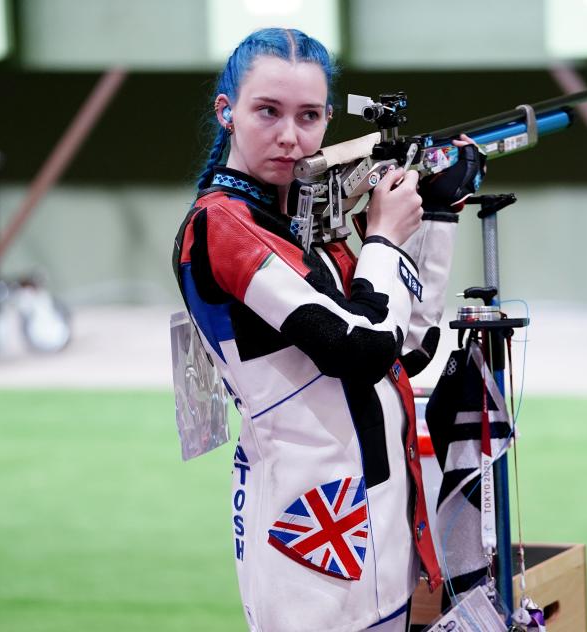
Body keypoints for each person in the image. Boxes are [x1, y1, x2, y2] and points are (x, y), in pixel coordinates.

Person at [172, 27, 484, 632]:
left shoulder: (304, 225)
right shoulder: (222, 227)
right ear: (227, 112)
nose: (291, 136)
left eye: (309, 116)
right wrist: (385, 237)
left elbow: (407, 350)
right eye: (268, 111)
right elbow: (361, 350)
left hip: (380, 527)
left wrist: (438, 215)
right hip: (310, 540)